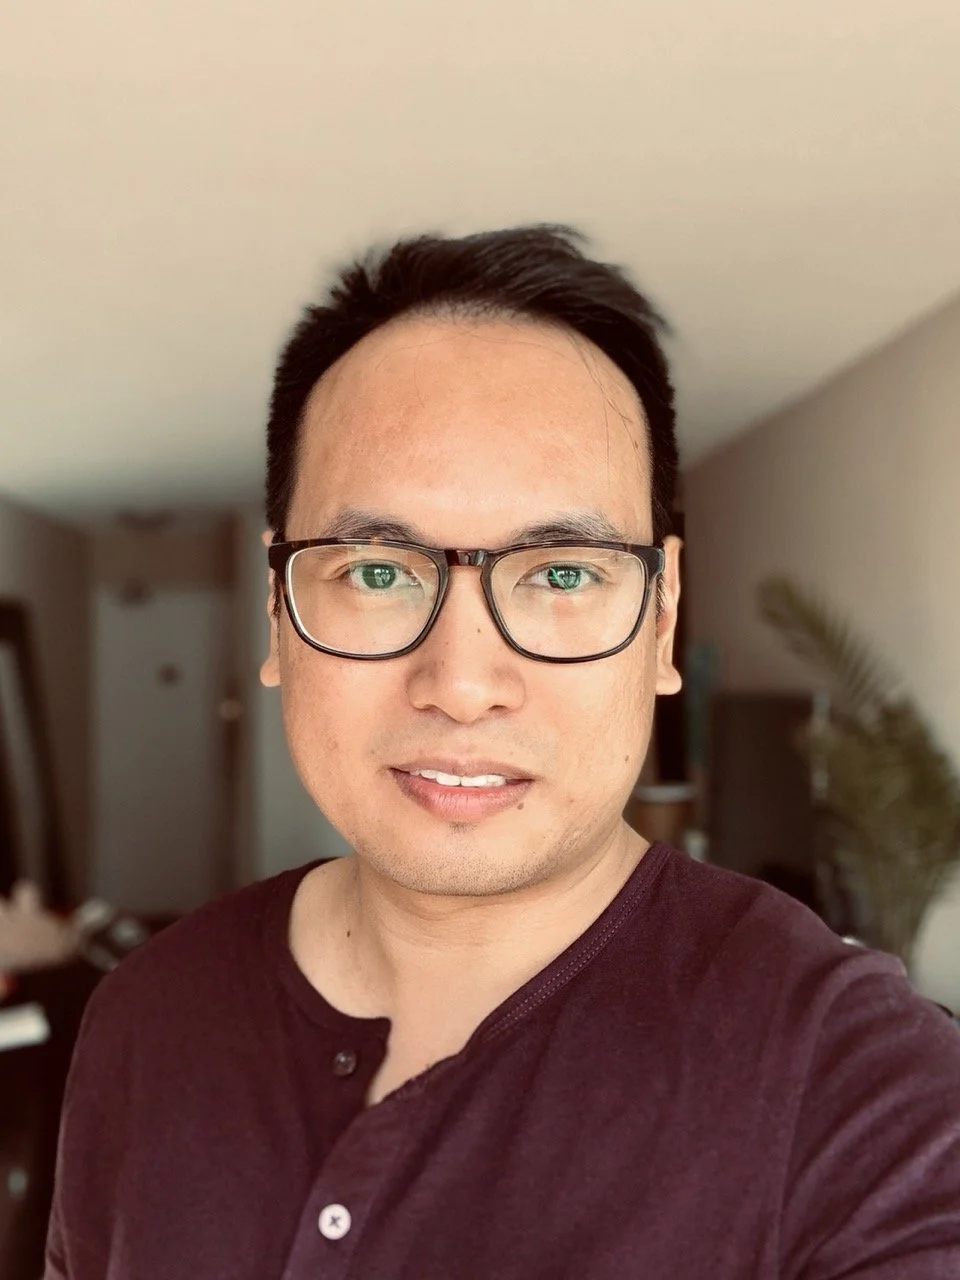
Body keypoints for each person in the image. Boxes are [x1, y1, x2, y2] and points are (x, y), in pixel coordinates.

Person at [46, 226, 960, 1279]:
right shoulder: (148, 1014)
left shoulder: (853, 1085)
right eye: (377, 571)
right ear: (278, 609)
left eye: (563, 573)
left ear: (662, 618)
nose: (463, 682)